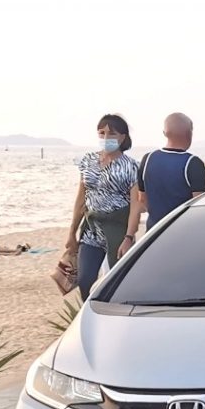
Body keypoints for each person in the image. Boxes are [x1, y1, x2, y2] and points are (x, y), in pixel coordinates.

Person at [61, 114, 142, 296]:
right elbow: (81, 198)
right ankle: (90, 310)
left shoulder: (131, 167)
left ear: (122, 137)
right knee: (85, 280)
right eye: (102, 133)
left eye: (112, 134)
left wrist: (129, 237)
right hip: (91, 229)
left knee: (117, 281)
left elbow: (136, 206)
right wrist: (72, 232)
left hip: (117, 229)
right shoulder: (88, 161)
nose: (106, 138)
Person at [136, 113, 205, 228]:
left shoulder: (147, 159)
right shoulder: (193, 163)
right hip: (182, 230)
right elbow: (199, 205)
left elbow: (142, 199)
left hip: (154, 231)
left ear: (164, 133)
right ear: (189, 133)